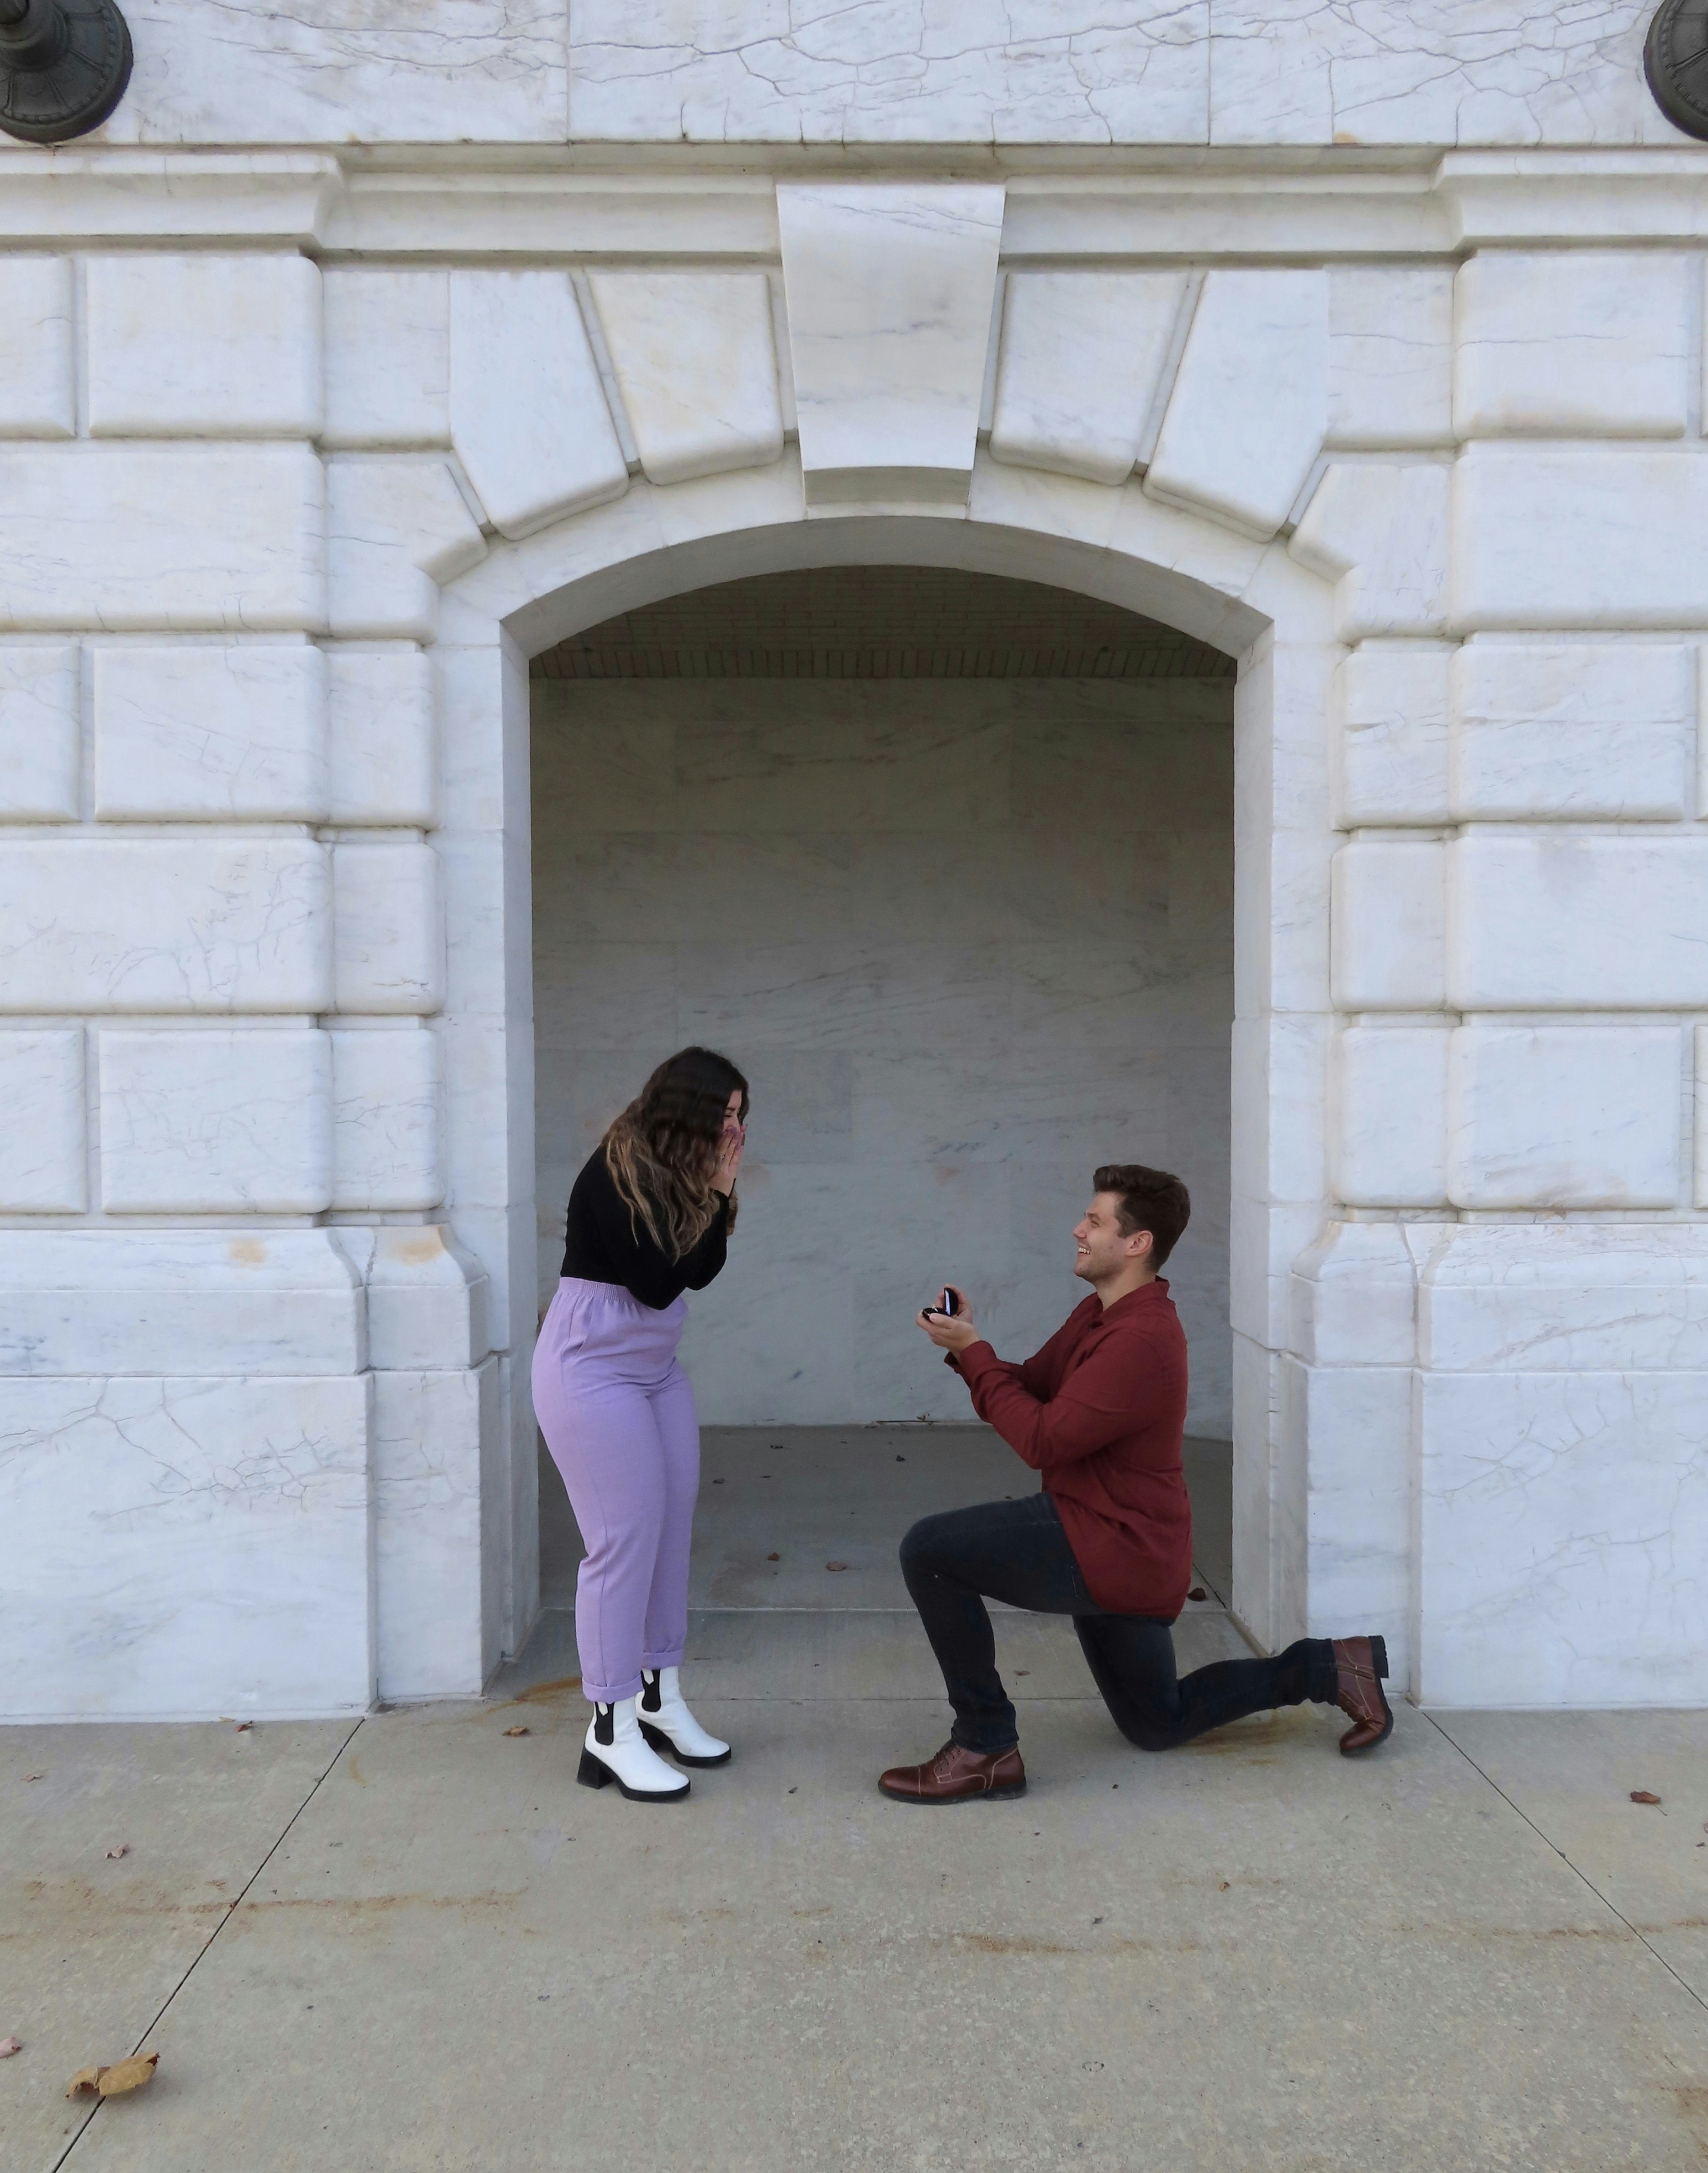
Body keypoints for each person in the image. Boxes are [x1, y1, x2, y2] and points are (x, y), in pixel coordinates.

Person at [879, 1163, 1392, 1804]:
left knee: (929, 1551)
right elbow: (1032, 1387)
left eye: (1093, 1221)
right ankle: (1334, 1666)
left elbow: (1042, 1438)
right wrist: (965, 1348)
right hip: (1118, 1540)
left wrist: (975, 1351)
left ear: (1136, 1243)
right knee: (1158, 1722)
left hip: (1110, 1543)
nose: (1077, 1229)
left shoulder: (1142, 1338)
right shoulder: (1101, 1316)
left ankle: (985, 1745)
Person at [532, 1046, 748, 1804]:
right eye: (724, 1114)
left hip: (653, 1370)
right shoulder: (614, 1171)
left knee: (668, 1530)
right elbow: (658, 1285)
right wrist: (720, 1192)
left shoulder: (681, 1175)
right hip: (590, 1370)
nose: (734, 1130)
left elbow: (700, 1274)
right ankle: (609, 1724)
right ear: (686, 1111)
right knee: (620, 1544)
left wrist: (717, 1198)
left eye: (739, 1115)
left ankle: (658, 1698)